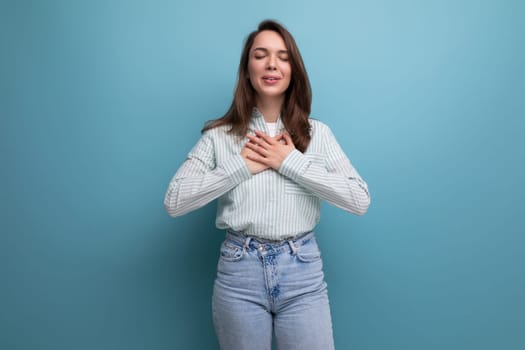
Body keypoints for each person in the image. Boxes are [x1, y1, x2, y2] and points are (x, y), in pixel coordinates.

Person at [164, 19, 370, 350]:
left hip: (302, 274)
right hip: (239, 275)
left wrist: (288, 162)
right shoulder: (220, 136)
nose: (272, 63)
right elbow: (174, 201)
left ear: (293, 71)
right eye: (260, 55)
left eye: (282, 56)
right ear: (247, 70)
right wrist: (240, 167)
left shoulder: (318, 135)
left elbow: (359, 199)